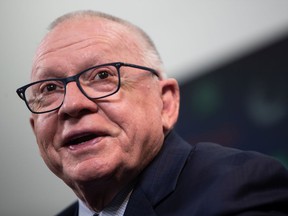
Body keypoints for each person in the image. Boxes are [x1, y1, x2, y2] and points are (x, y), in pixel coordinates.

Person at [16, 10, 288, 216]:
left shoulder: (238, 188)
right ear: (35, 129)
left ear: (165, 103)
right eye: (49, 88)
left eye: (102, 75)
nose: (71, 105)